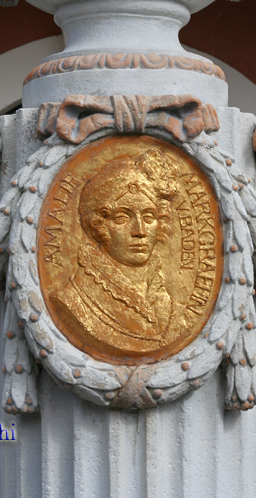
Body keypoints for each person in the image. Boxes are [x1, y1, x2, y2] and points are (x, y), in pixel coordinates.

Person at [51, 148, 189, 357]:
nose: (140, 231)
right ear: (99, 225)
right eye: (122, 218)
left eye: (149, 217)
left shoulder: (173, 311)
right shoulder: (73, 300)